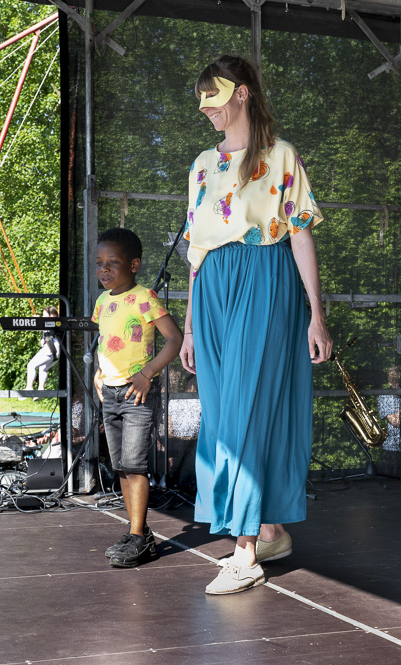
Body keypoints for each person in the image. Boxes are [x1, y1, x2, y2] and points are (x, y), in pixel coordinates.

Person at [180, 55, 333, 595]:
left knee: (246, 410)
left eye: (214, 96)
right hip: (212, 288)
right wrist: (190, 326)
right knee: (223, 417)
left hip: (264, 277)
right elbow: (196, 252)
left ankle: (244, 553)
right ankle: (269, 531)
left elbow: (300, 234)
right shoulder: (202, 164)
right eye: (201, 98)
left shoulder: (280, 155)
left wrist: (316, 314)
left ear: (241, 93)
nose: (205, 108)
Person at [92, 227, 183, 569]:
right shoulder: (102, 301)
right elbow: (106, 342)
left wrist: (147, 373)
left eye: (112, 262)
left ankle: (137, 537)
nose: (104, 269)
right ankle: (139, 533)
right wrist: (98, 372)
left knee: (135, 466)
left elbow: (174, 340)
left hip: (137, 393)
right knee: (121, 467)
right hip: (110, 393)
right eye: (99, 262)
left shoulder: (145, 297)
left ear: (133, 265)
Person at [24, 306, 62, 399]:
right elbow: (41, 327)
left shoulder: (53, 322)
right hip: (55, 351)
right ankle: (40, 391)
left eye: (44, 315)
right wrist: (37, 321)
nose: (43, 317)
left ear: (51, 315)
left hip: (50, 349)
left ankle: (29, 388)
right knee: (43, 368)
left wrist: (38, 321)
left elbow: (45, 324)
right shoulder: (53, 323)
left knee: (31, 365)